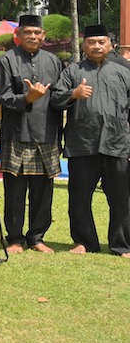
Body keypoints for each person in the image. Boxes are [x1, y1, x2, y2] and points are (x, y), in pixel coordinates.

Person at [49, 24, 130, 256]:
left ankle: (122, 244)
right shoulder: (73, 71)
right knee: (80, 197)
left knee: (121, 198)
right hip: (82, 143)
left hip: (117, 143)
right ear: (84, 45)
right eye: (91, 42)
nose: (96, 46)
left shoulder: (124, 70)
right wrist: (73, 94)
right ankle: (85, 242)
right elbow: (55, 99)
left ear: (110, 45)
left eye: (101, 42)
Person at [0, 15, 63, 253]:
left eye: (37, 33)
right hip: (17, 133)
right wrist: (28, 98)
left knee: (43, 191)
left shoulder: (54, 61)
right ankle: (14, 238)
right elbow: (3, 97)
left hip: (47, 132)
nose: (33, 37)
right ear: (18, 35)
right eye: (27, 33)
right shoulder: (6, 61)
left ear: (43, 36)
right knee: (15, 189)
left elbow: (59, 98)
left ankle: (37, 238)